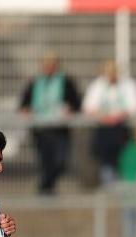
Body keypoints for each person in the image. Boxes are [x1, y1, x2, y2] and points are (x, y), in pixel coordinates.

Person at [20, 52, 81, 194]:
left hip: (59, 128)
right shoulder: (35, 82)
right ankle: (47, 189)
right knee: (45, 161)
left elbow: (76, 102)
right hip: (41, 129)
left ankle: (45, 186)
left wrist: (71, 108)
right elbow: (24, 102)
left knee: (60, 161)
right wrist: (26, 109)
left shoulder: (66, 82)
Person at [83, 60, 136, 185]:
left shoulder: (128, 85)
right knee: (107, 162)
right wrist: (104, 117)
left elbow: (135, 106)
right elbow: (89, 107)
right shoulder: (97, 85)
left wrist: (119, 116)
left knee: (124, 159)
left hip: (123, 129)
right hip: (104, 130)